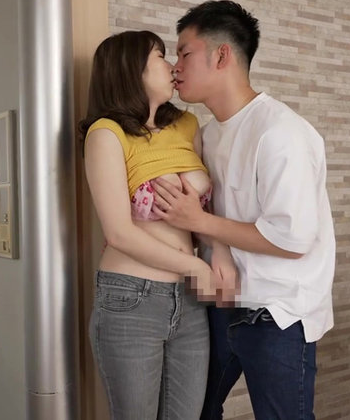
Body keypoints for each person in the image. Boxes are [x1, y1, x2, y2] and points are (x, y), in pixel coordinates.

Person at [152, 0, 336, 419]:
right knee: (189, 411)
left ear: (222, 56)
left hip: (277, 314)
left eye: (184, 53)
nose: (175, 67)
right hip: (220, 302)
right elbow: (209, 213)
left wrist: (199, 221)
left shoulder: (281, 132)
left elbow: (292, 240)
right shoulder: (207, 134)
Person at [78, 30, 235, 419]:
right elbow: (119, 232)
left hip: (189, 300)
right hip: (131, 298)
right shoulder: (106, 134)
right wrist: (195, 265)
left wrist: (220, 251)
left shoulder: (187, 124)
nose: (172, 67)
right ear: (131, 70)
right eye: (160, 57)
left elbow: (200, 210)